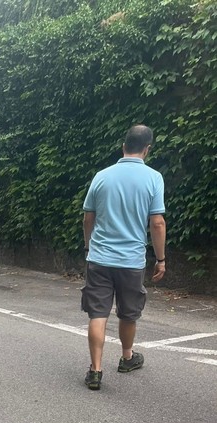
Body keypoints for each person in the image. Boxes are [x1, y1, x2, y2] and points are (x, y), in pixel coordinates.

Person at [82, 124, 166, 390]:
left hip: (99, 258)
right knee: (128, 313)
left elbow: (88, 217)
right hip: (131, 260)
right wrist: (161, 259)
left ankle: (96, 370)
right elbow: (157, 223)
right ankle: (127, 357)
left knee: (98, 312)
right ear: (147, 148)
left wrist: (89, 247)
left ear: (123, 146)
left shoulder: (102, 176)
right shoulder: (153, 178)